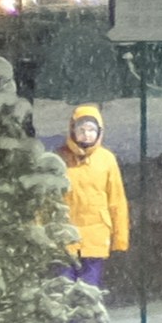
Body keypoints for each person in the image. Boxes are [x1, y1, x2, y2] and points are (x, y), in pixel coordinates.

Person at [58, 106, 128, 281]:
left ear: (99, 132)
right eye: (81, 130)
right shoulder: (59, 159)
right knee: (62, 293)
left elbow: (117, 201)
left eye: (91, 130)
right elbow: (46, 200)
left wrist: (120, 238)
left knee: (89, 295)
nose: (86, 134)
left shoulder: (106, 160)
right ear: (72, 130)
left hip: (96, 238)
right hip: (64, 238)